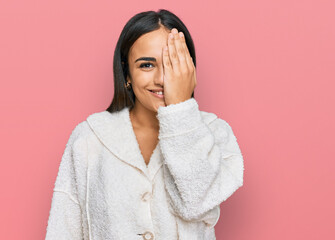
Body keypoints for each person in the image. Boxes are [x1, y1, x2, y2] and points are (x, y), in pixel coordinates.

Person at [45, 9, 244, 240]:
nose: (161, 79)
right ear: (127, 73)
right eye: (147, 65)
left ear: (188, 69)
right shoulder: (89, 138)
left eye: (172, 63)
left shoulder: (215, 133)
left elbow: (195, 203)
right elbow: (63, 230)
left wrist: (179, 110)